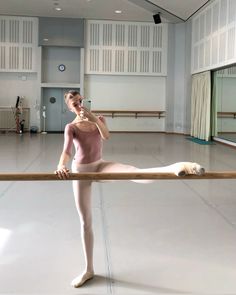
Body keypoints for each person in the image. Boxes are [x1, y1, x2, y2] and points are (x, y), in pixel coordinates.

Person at [55, 90, 205, 288]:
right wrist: (60, 165)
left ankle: (180, 167)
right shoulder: (71, 127)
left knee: (136, 173)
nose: (79, 105)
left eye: (81, 100)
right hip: (80, 172)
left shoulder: (98, 119)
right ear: (69, 108)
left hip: (100, 165)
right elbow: (66, 151)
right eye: (74, 103)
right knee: (85, 222)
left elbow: (106, 136)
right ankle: (89, 269)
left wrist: (94, 119)